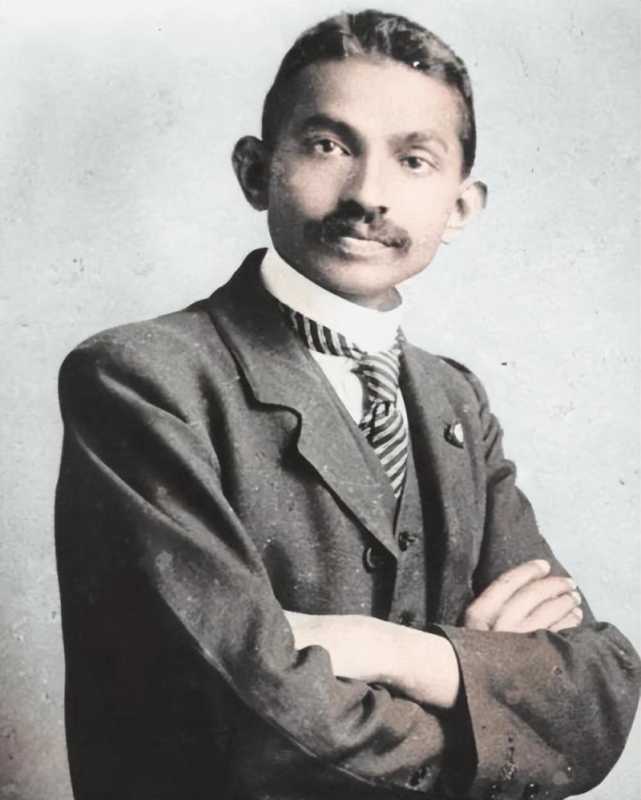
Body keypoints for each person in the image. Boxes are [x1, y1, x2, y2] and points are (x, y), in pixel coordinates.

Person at [55, 10, 640, 800]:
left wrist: (396, 652)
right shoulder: (144, 378)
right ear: (255, 170)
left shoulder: (452, 398)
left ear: (459, 206)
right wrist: (490, 695)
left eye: (413, 160)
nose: (368, 194)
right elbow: (255, 727)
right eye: (328, 146)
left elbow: (598, 693)